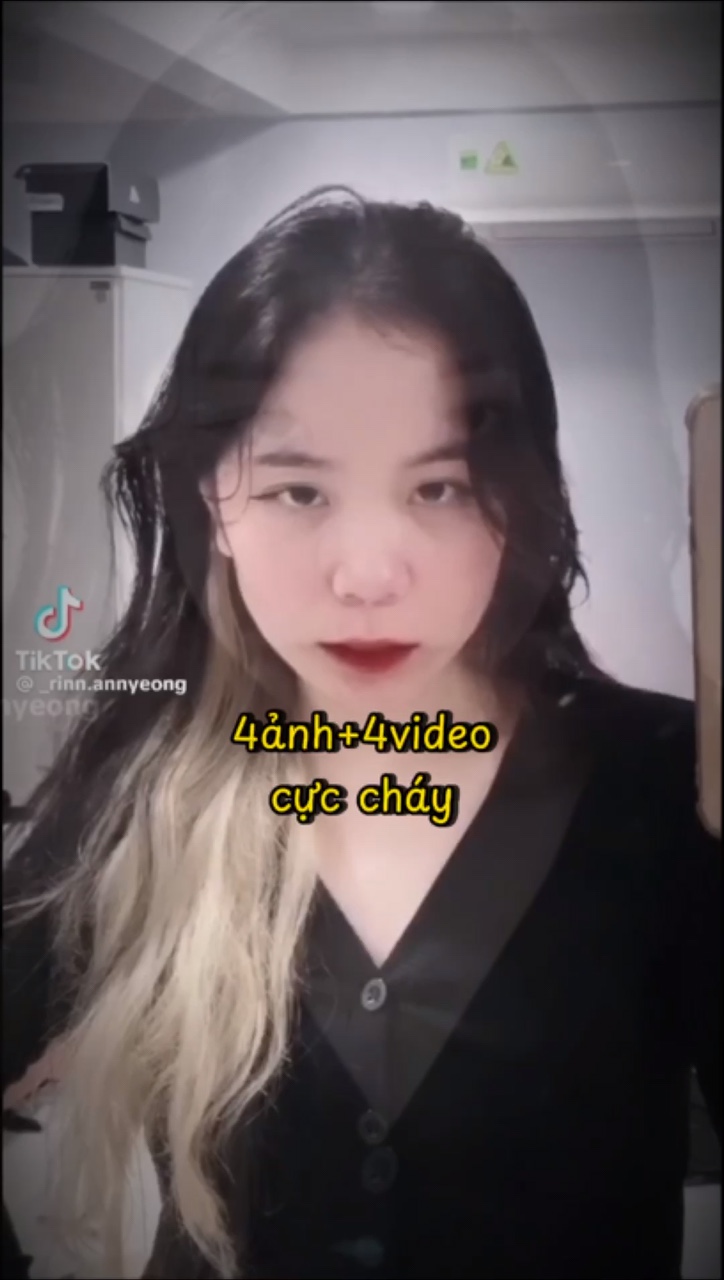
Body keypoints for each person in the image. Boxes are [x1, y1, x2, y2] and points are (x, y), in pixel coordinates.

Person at [3, 187, 720, 1280]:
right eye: (299, 491)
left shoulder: (666, 788)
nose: (369, 575)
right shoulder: (144, 787)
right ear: (214, 497)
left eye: (438, 487)